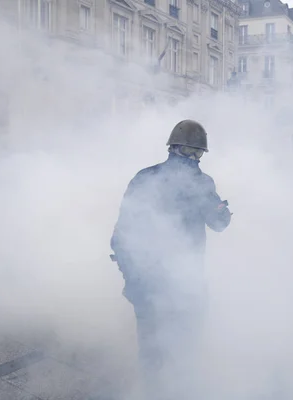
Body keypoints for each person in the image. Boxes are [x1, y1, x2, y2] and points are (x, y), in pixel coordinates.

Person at [110, 119, 231, 399]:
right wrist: (222, 212)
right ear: (184, 151)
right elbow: (219, 223)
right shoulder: (200, 182)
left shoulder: (144, 177)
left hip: (157, 282)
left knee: (155, 353)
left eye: (199, 155)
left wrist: (134, 282)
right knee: (183, 350)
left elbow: (120, 235)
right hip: (182, 284)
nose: (196, 160)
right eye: (195, 153)